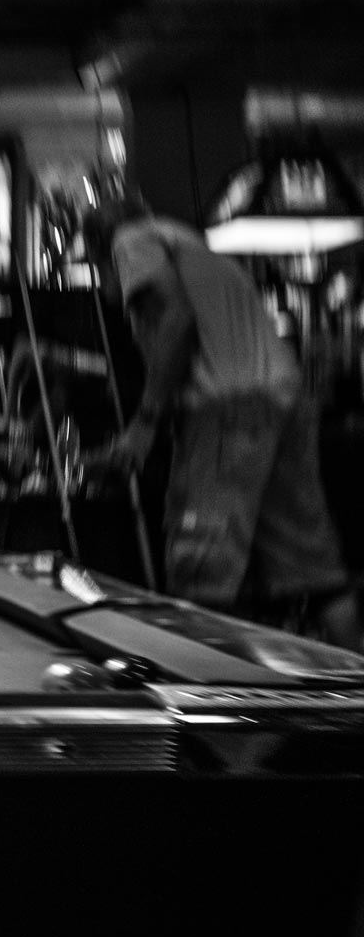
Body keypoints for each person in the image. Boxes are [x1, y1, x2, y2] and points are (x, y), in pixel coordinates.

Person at [81, 192, 360, 649]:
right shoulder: (191, 244)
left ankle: (200, 703)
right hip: (285, 401)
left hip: (228, 409)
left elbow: (175, 321)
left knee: (200, 565)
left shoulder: (131, 241)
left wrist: (145, 425)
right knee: (312, 566)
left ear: (98, 246)